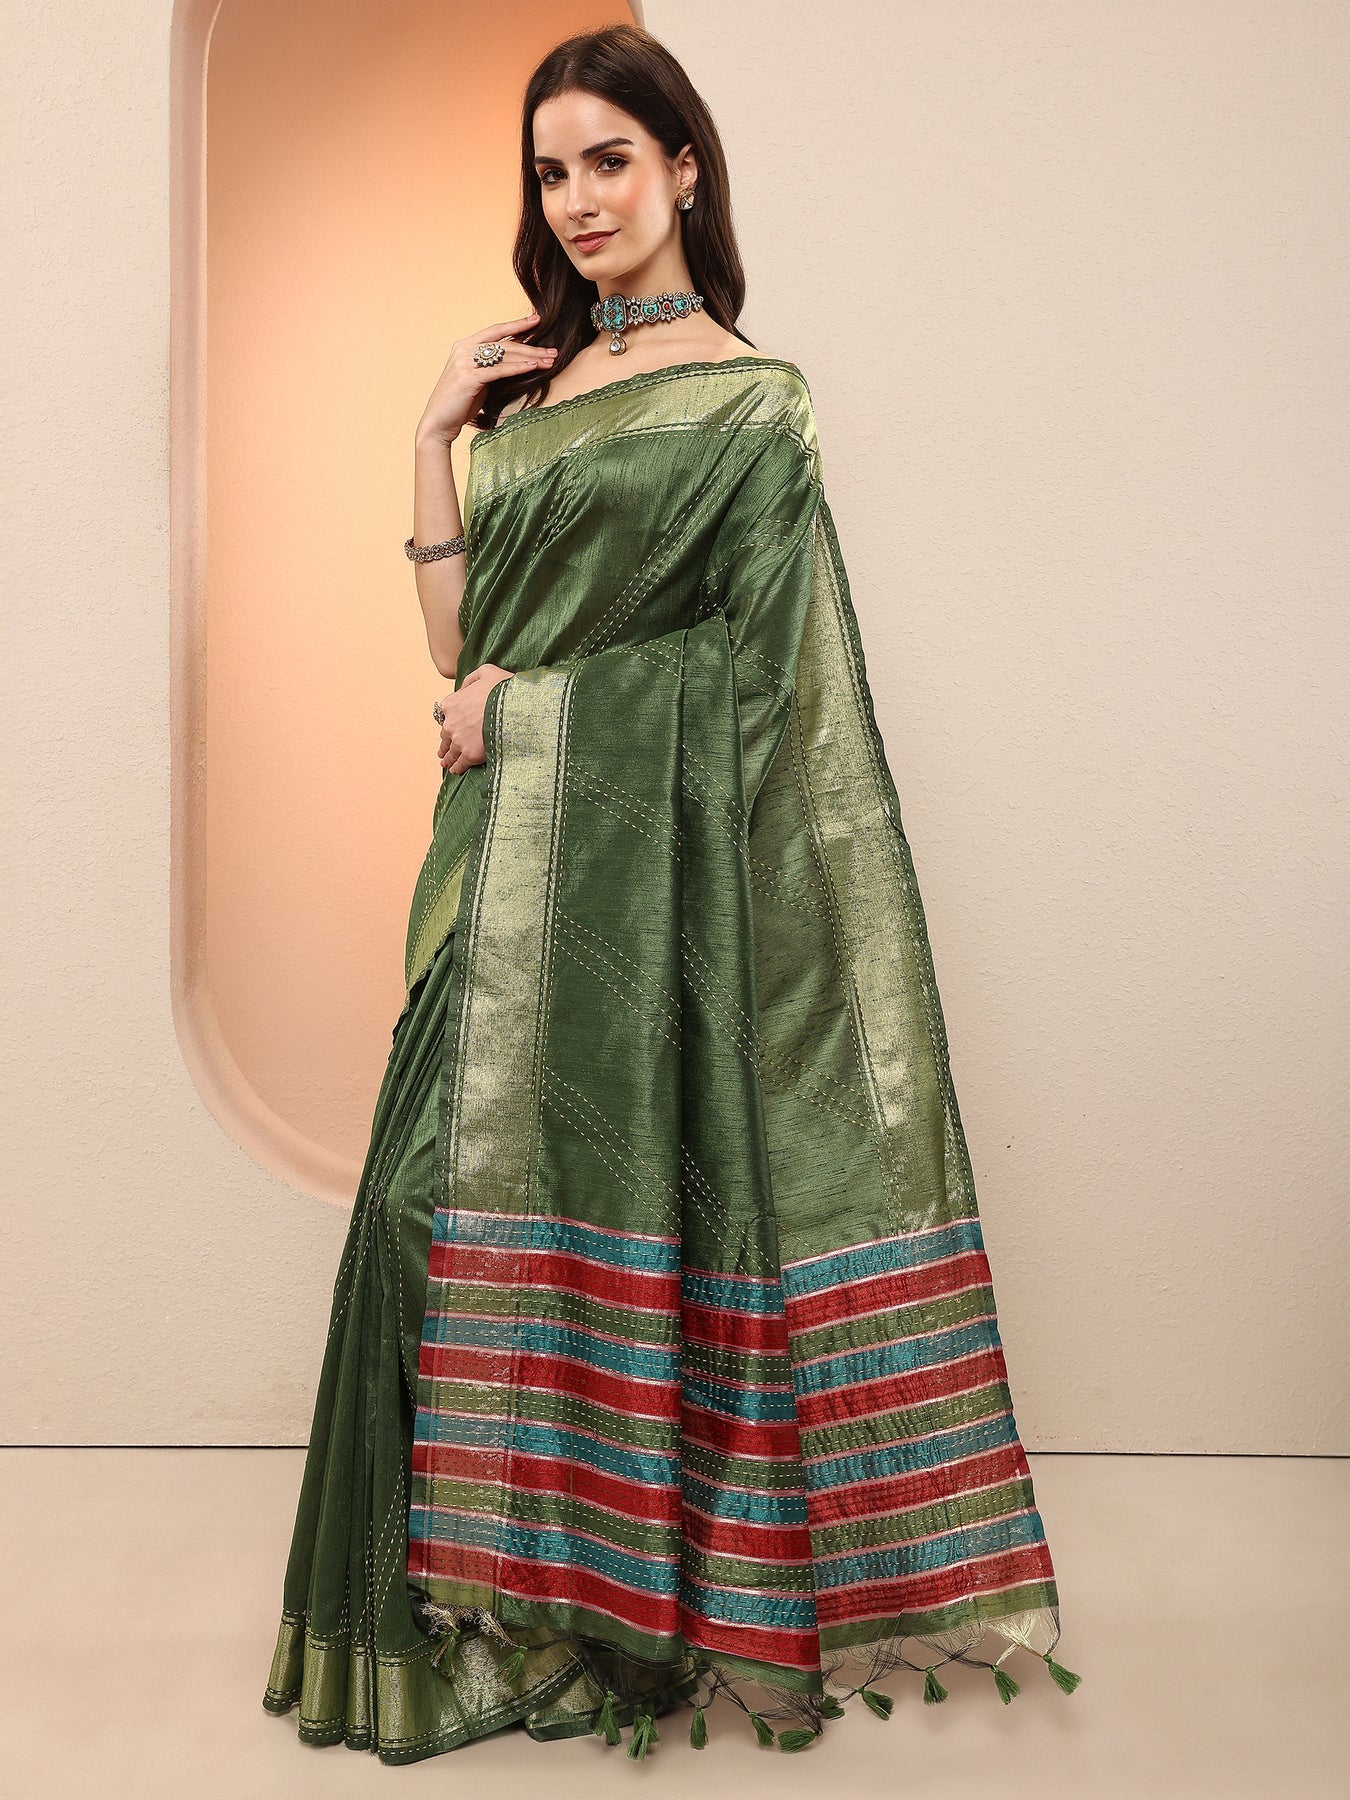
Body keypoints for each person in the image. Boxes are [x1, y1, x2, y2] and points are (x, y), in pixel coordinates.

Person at [261, 21, 1081, 1767]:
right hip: (497, 871)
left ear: (684, 167)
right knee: (419, 1213)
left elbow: (763, 681)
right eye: (549, 173)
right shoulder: (525, 390)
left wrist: (532, 714)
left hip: (628, 879)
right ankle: (480, 1600)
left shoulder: (751, 402)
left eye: (608, 161)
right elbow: (460, 651)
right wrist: (431, 437)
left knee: (613, 1218)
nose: (577, 201)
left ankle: (603, 1598)